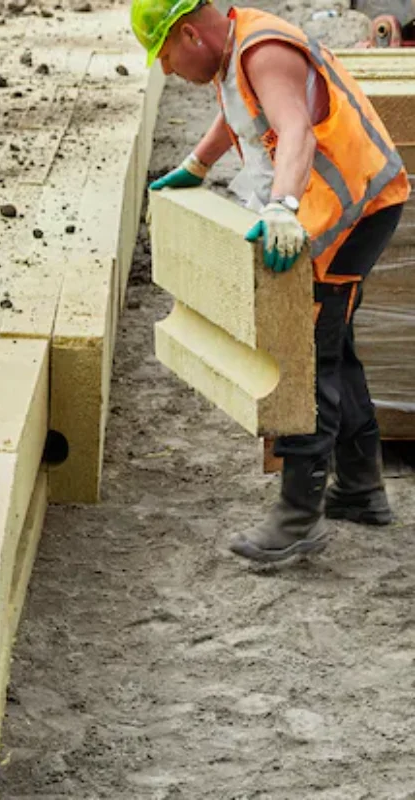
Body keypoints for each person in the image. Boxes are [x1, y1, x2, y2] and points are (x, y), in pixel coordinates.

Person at [131, 0, 410, 563]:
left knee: (306, 351)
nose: (167, 72)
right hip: (339, 207)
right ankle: (360, 489)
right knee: (335, 340)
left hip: (352, 208)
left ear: (189, 33)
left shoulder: (265, 51)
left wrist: (281, 208)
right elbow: (238, 113)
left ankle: (298, 516)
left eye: (165, 56)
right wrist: (198, 164)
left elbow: (295, 131)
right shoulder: (237, 51)